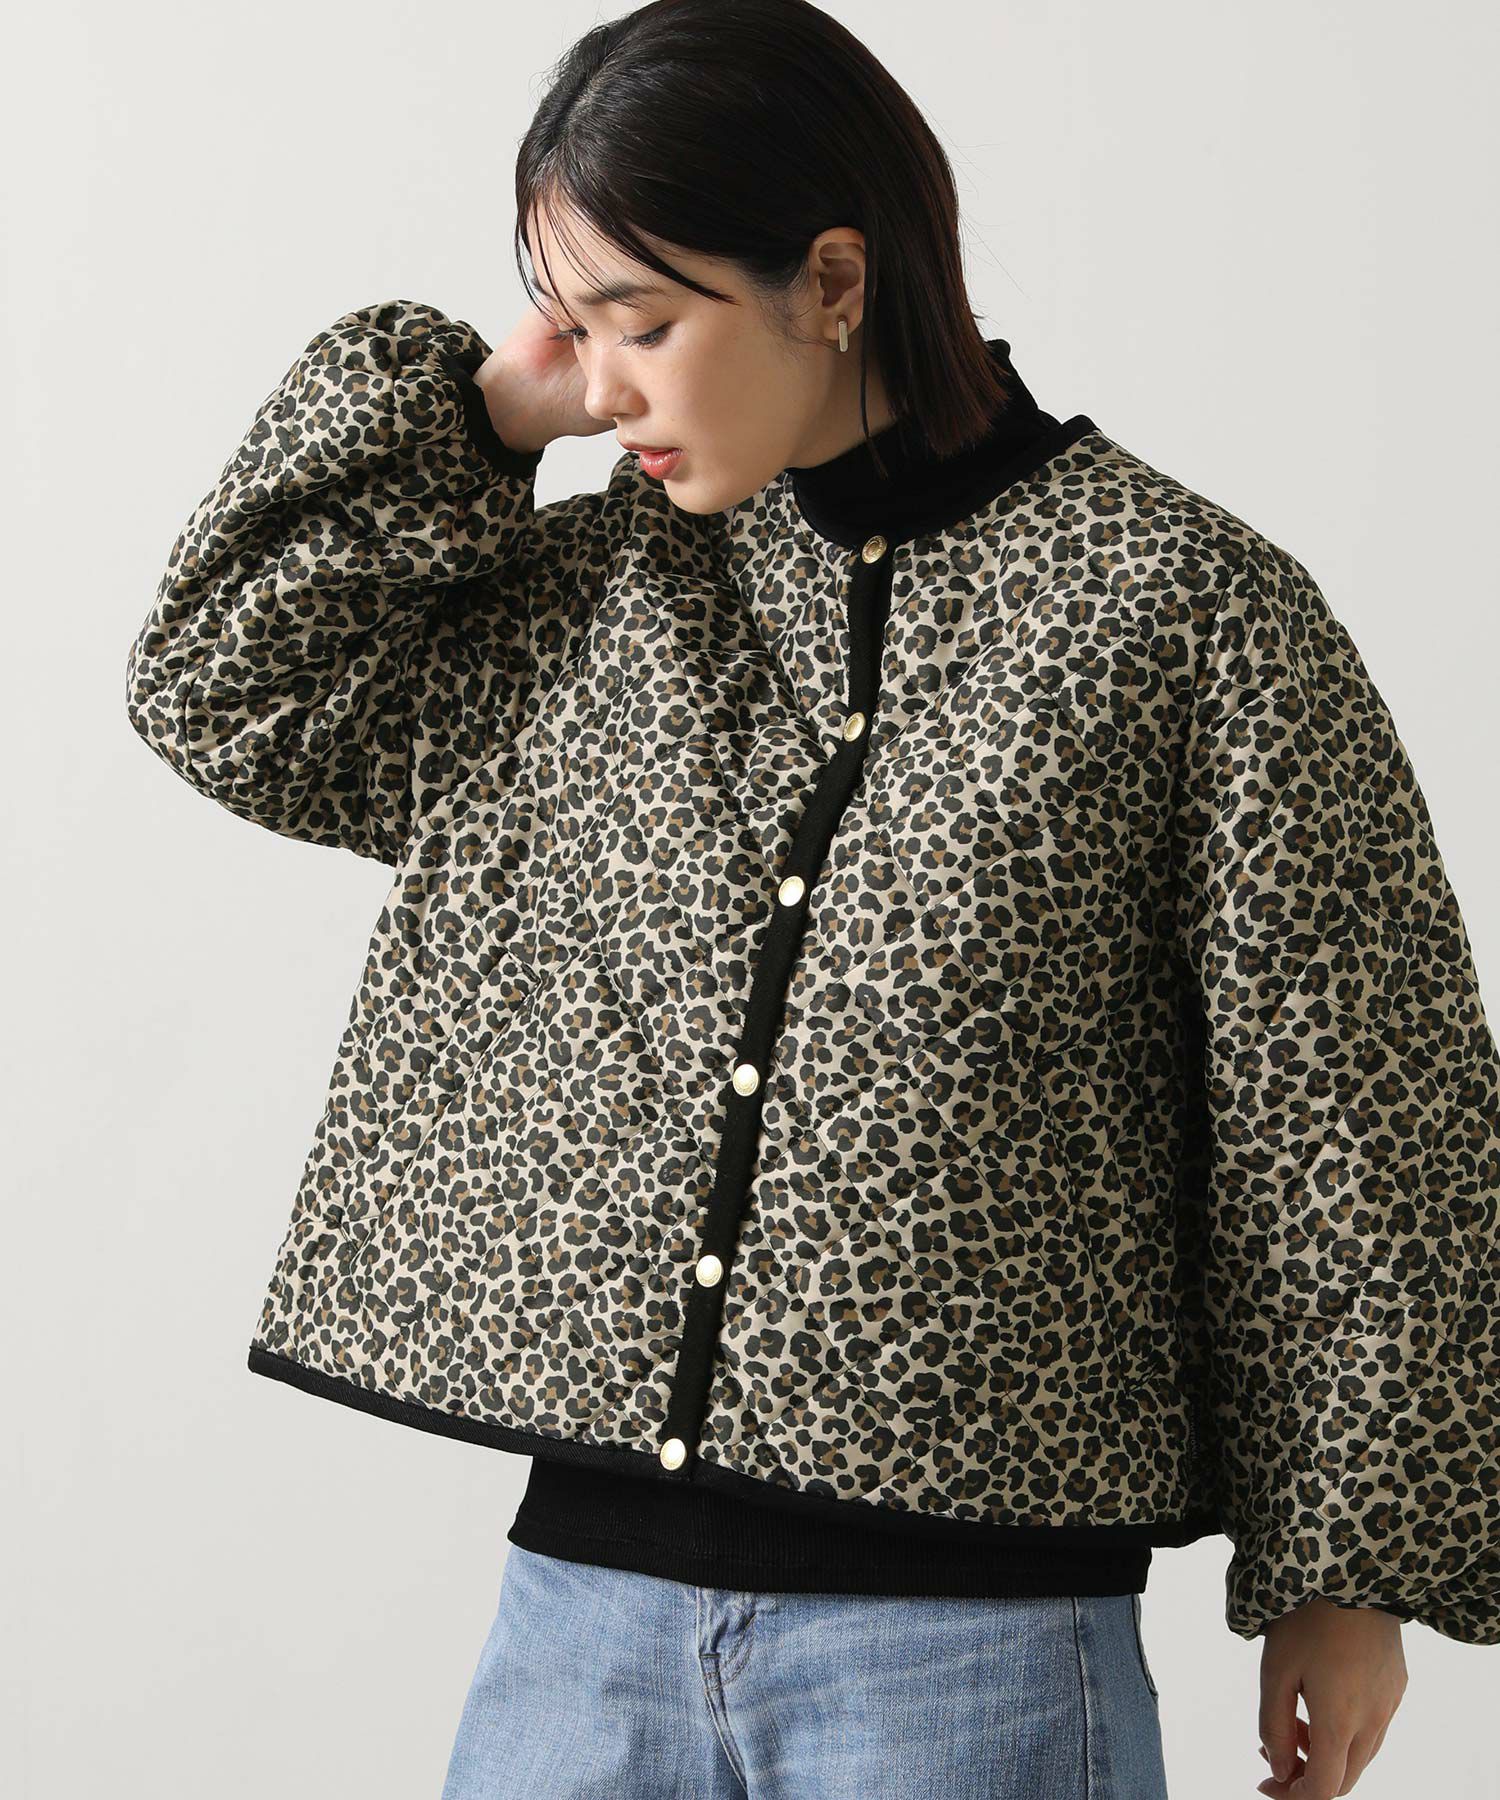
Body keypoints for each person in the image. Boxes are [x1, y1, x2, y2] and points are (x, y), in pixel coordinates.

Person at [123, 3, 1496, 1796]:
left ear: (835, 282)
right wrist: (476, 417)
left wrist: (1349, 1575)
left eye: (645, 323)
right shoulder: (595, 598)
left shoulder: (1186, 617)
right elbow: (221, 689)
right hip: (580, 1624)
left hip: (972, 1653)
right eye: (572, 323)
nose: (606, 384)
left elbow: (1358, 1124)